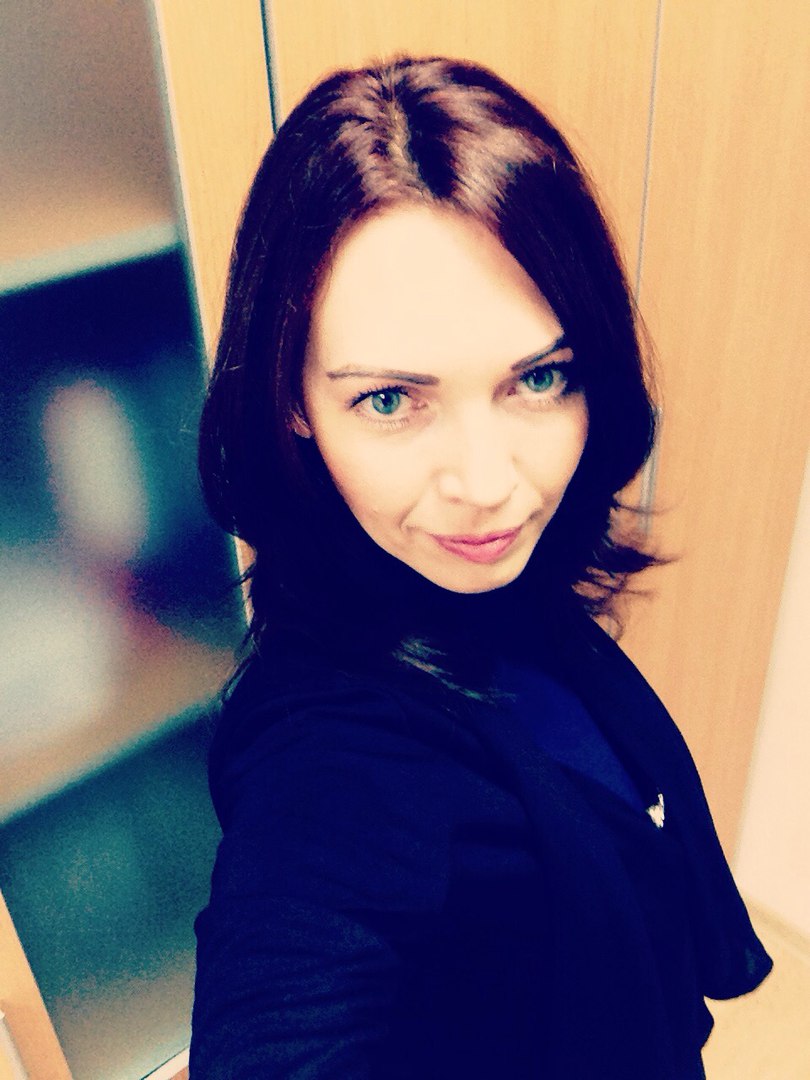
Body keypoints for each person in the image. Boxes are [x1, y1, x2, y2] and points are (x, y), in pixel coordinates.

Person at [190, 56, 771, 1078]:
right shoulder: (326, 775)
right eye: (391, 400)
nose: (491, 485)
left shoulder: (499, 593)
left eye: (538, 380)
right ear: (291, 401)